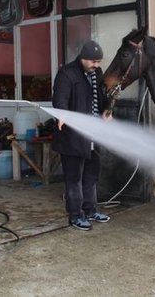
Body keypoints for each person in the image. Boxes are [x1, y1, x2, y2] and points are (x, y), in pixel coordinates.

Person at [51, 40, 111, 231]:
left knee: (91, 176)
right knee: (74, 178)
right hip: (72, 137)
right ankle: (76, 215)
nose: (96, 65)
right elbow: (59, 99)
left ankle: (91, 210)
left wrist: (106, 111)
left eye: (99, 62)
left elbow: (100, 96)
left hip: (93, 135)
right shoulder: (67, 74)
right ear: (83, 58)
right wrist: (62, 114)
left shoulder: (97, 73)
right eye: (93, 62)